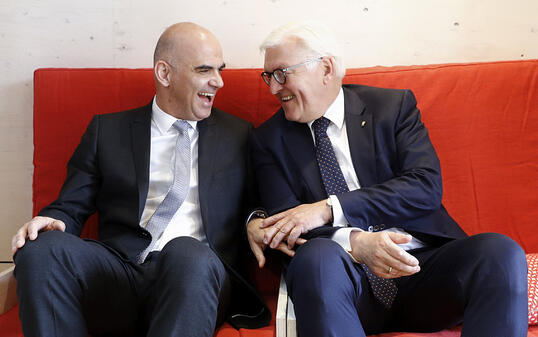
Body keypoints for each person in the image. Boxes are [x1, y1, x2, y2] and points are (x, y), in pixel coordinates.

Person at [247, 21, 528, 337]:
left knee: (500, 252)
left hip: (422, 271)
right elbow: (287, 228)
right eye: (268, 76)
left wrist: (329, 208)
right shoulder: (268, 141)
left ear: (325, 68)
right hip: (344, 286)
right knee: (316, 257)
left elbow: (424, 186)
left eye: (282, 74)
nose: (273, 88)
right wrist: (356, 243)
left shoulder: (392, 108)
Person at [12, 22, 269, 337]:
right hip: (120, 271)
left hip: (195, 276)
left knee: (187, 252)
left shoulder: (238, 135)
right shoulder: (108, 132)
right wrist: (52, 219)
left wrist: (256, 219)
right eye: (205, 70)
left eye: (220, 70)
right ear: (164, 74)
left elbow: (260, 204)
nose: (218, 82)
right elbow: (70, 205)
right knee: (39, 250)